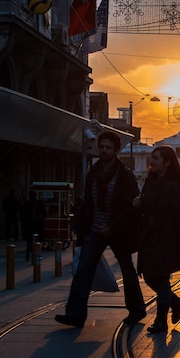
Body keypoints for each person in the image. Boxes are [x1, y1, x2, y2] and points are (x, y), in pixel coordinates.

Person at [55, 130, 146, 329]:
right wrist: (82, 227)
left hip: (117, 231)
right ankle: (75, 315)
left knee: (127, 271)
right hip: (95, 229)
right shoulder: (94, 173)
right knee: (83, 270)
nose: (104, 151)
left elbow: (131, 207)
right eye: (102, 147)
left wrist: (113, 226)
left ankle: (137, 310)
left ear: (115, 150)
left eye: (108, 148)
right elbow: (88, 203)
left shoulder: (124, 175)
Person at [133, 146, 180, 334]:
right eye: (152, 158)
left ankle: (161, 321)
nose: (152, 161)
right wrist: (139, 204)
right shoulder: (150, 182)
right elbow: (146, 207)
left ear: (167, 162)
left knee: (160, 278)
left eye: (156, 158)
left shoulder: (174, 186)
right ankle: (175, 302)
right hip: (149, 238)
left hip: (166, 239)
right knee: (150, 276)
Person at [19, 190, 46, 262]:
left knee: (29, 241)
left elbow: (21, 215)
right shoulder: (39, 203)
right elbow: (44, 213)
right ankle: (37, 255)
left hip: (29, 225)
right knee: (38, 241)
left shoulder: (26, 204)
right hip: (38, 226)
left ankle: (28, 254)